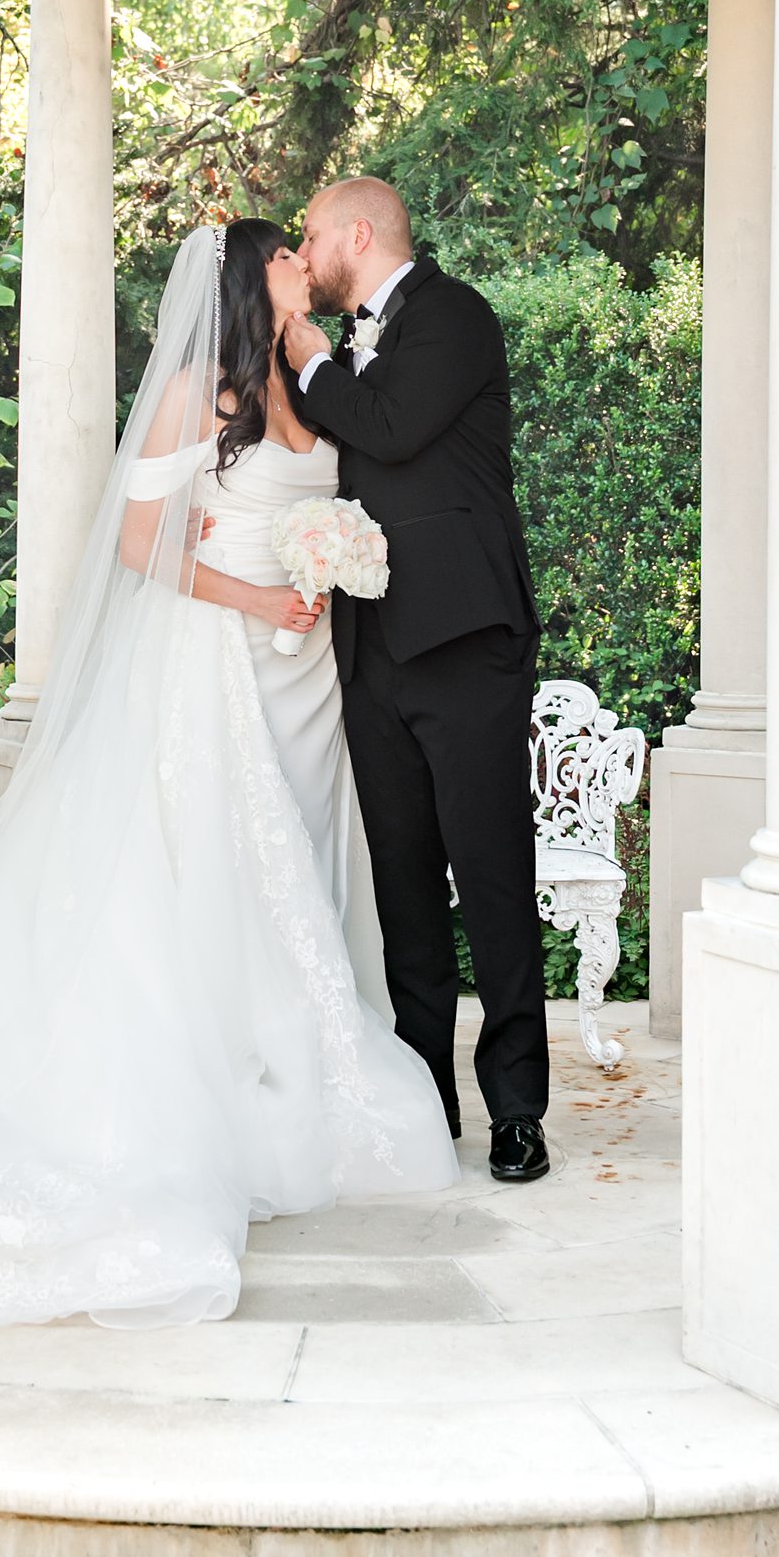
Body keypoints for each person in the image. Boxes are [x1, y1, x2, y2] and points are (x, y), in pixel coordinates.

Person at [0, 221, 460, 1326]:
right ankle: (223, 1077)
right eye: (286, 255)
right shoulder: (194, 398)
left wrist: (328, 568)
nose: (305, 262)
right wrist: (261, 596)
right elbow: (138, 540)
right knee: (218, 860)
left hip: (308, 666)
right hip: (219, 655)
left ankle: (284, 1062)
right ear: (252, 279)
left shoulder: (315, 382)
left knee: (297, 858)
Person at [279, 178, 549, 1183]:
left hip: (466, 638)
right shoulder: (344, 342)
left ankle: (518, 1108)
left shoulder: (455, 315)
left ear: (359, 231)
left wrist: (308, 357)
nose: (306, 251)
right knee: (404, 888)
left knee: (490, 875)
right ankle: (424, 1096)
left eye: (313, 232)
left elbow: (388, 429)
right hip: (369, 648)